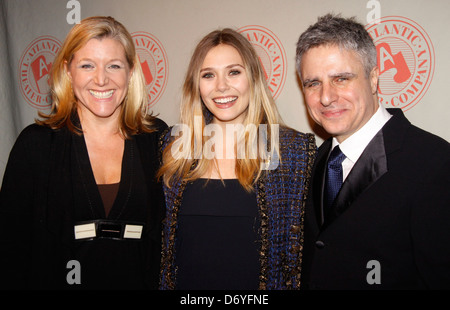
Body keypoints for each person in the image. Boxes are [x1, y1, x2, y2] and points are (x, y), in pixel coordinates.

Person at [0, 16, 167, 289]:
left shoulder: (156, 139)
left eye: (114, 66)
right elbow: (10, 250)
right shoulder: (36, 146)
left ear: (131, 71)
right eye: (87, 65)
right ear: (68, 71)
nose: (101, 79)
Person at [295, 14, 450, 289]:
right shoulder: (314, 161)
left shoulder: (435, 163)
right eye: (313, 83)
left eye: (341, 79)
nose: (326, 97)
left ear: (374, 78)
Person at [157, 28, 316, 290]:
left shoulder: (292, 152)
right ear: (196, 85)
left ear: (252, 77)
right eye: (208, 75)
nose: (221, 86)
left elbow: (304, 256)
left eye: (234, 72)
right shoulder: (174, 148)